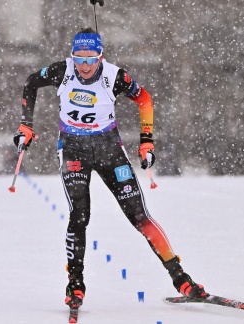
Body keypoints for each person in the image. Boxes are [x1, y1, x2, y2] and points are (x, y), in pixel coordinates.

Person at [12, 28, 208, 312]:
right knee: (79, 215)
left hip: (108, 149)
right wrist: (26, 125)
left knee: (139, 216)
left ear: (101, 55)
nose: (85, 66)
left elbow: (145, 99)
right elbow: (31, 82)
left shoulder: (115, 76)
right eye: (79, 59)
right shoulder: (61, 71)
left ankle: (182, 280)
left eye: (91, 59)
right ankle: (75, 284)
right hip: (73, 149)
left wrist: (146, 143)